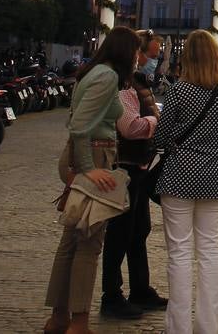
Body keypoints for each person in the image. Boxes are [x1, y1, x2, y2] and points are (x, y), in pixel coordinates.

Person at [44, 26, 139, 334]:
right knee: (89, 243)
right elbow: (81, 125)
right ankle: (79, 322)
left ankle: (59, 318)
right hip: (95, 154)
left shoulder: (93, 71)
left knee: (70, 241)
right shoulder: (108, 77)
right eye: (136, 51)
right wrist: (88, 168)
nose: (139, 58)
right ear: (127, 52)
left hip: (83, 153)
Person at [153, 30, 218, 334]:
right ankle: (208, 326)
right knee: (210, 250)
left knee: (179, 252)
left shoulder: (178, 90)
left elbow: (161, 137)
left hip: (178, 176)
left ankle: (178, 328)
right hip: (213, 178)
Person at [100, 31, 166, 320]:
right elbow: (129, 127)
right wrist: (155, 120)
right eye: (149, 55)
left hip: (138, 164)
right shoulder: (119, 83)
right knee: (121, 231)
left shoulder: (133, 81)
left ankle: (140, 287)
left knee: (139, 229)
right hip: (124, 164)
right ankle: (112, 294)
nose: (151, 61)